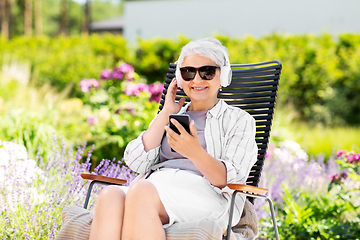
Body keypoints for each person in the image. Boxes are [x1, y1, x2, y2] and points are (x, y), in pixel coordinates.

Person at [88, 37, 258, 240]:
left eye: (207, 72)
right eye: (188, 72)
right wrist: (166, 112)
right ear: (179, 78)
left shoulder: (239, 120)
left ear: (223, 77)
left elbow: (229, 181)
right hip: (156, 187)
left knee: (141, 191)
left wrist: (193, 151)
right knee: (110, 196)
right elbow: (135, 162)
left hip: (206, 195)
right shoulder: (172, 115)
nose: (196, 80)